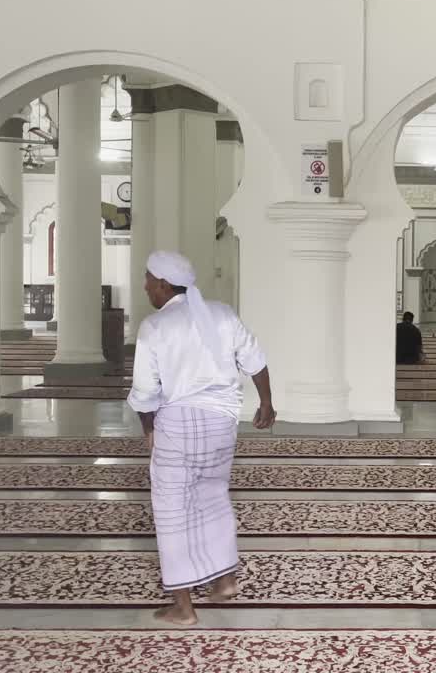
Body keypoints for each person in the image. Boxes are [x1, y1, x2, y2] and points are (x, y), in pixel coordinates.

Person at [127, 250, 275, 626]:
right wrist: (267, 404)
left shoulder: (156, 326)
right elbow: (255, 360)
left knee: (172, 512)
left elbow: (145, 392)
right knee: (213, 499)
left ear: (163, 283)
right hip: (222, 424)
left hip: (178, 423)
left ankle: (183, 608)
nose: (145, 286)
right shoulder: (220, 314)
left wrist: (149, 430)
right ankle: (225, 582)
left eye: (148, 279)